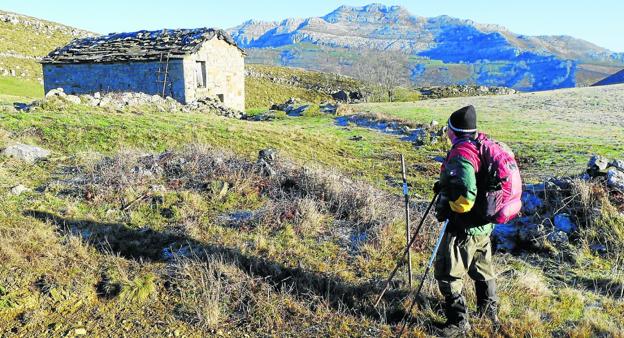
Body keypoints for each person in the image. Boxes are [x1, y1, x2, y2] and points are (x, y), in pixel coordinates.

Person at [433, 105, 499, 336]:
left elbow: (465, 197)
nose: (447, 133)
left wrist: (449, 206)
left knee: (447, 272)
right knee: (483, 269)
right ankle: (489, 314)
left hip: (465, 226)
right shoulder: (480, 145)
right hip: (484, 224)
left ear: (454, 130)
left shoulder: (461, 154)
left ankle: (458, 322)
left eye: (448, 128)